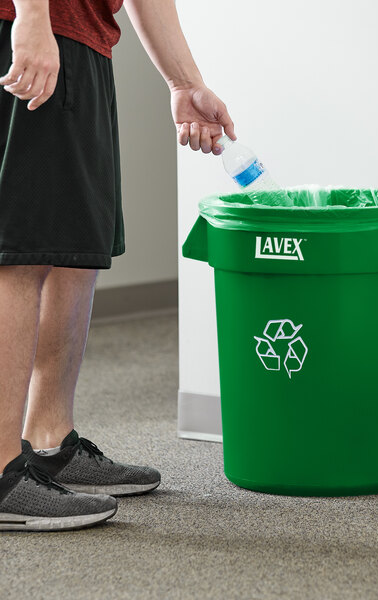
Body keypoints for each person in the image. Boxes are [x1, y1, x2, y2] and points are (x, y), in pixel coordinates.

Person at [0, 0, 235, 531]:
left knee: (75, 248)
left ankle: (50, 442)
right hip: (35, 28)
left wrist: (184, 82)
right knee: (22, 248)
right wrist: (31, 17)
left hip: (84, 38)